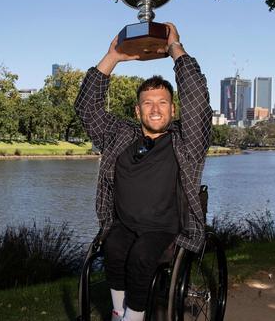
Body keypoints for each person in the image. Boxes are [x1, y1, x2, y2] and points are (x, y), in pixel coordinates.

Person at [75, 23, 212, 321]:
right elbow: (87, 109)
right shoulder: (119, 135)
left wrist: (175, 49)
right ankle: (117, 311)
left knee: (140, 256)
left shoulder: (186, 141)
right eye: (147, 103)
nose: (154, 109)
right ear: (137, 111)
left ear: (173, 110)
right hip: (124, 224)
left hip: (165, 229)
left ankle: (133, 317)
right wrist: (112, 57)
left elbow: (198, 103)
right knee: (113, 247)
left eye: (162, 102)